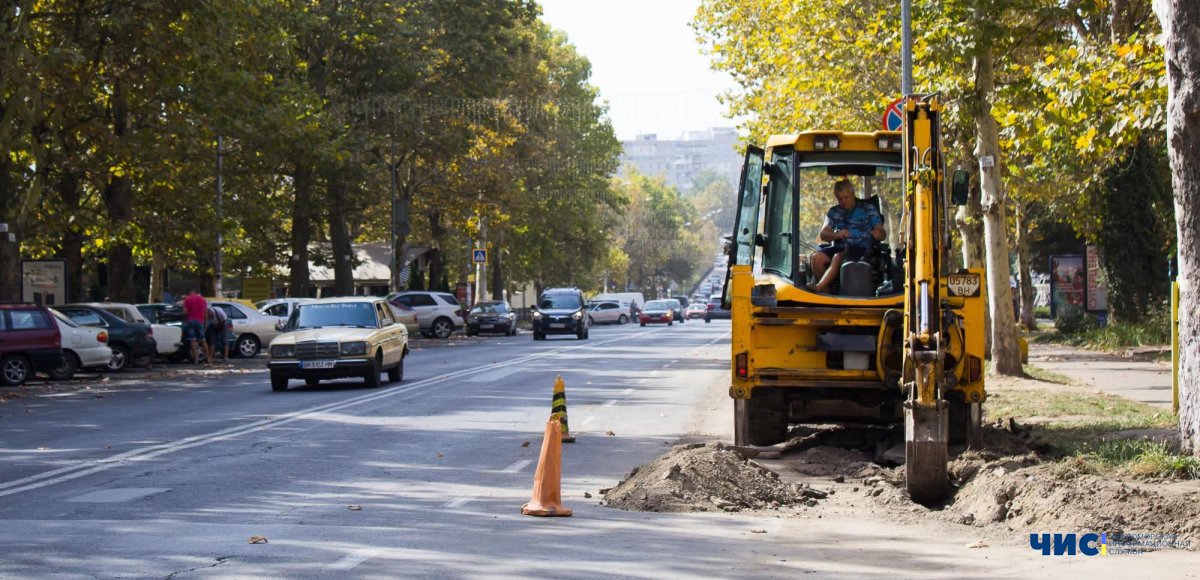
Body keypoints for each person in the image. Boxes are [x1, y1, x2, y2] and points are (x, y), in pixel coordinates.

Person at [809, 179, 886, 293]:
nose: (844, 201)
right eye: (840, 199)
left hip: (862, 248)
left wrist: (877, 234)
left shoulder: (868, 209)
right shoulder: (834, 212)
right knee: (816, 258)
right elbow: (824, 235)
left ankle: (818, 288)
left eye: (846, 197)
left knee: (837, 257)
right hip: (840, 246)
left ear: (853, 194)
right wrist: (836, 235)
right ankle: (826, 297)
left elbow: (882, 234)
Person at [182, 289, 209, 364]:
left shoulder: (187, 299)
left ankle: (196, 359)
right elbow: (205, 311)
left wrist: (185, 319)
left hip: (190, 321)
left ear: (190, 292)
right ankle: (208, 358)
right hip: (200, 321)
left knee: (192, 340)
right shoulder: (202, 299)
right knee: (203, 340)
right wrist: (205, 322)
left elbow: (185, 312)